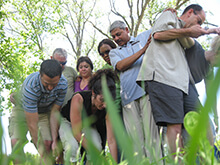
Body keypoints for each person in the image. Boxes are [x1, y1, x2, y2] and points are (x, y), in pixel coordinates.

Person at [136, 4, 219, 156]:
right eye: (199, 21)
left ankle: (208, 158)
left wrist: (209, 31)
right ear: (190, 12)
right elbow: (158, 35)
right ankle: (178, 161)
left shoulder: (183, 34)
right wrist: (191, 30)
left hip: (184, 84)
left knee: (204, 124)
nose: (199, 25)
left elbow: (189, 39)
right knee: (175, 127)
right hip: (164, 75)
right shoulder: (169, 16)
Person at [108, 20, 161, 162]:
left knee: (152, 137)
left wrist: (168, 11)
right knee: (136, 140)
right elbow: (120, 65)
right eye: (114, 37)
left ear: (126, 29)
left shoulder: (142, 38)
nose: (116, 39)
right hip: (128, 99)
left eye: (118, 34)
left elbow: (160, 25)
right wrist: (143, 51)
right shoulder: (114, 52)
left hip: (146, 94)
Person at [8, 59, 68, 164]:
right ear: (40, 74)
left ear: (60, 77)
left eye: (54, 84)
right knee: (16, 142)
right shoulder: (31, 86)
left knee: (47, 144)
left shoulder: (63, 85)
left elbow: (54, 112)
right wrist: (42, 153)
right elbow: (32, 124)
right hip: (22, 110)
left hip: (43, 112)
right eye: (46, 83)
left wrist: (54, 141)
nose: (50, 88)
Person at [59, 69, 118, 163]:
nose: (105, 105)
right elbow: (76, 133)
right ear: (94, 93)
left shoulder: (108, 108)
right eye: (102, 99)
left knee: (97, 146)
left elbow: (111, 140)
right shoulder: (78, 99)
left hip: (86, 125)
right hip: (68, 122)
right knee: (72, 147)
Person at [58, 56, 93, 163]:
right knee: (72, 147)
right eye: (81, 67)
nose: (83, 69)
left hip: (88, 118)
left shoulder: (95, 81)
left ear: (91, 68)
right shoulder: (76, 81)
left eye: (86, 66)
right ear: (78, 69)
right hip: (74, 117)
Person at [97, 39, 123, 162]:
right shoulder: (103, 71)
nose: (105, 56)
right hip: (113, 112)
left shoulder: (124, 60)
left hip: (129, 108)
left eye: (107, 51)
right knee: (117, 143)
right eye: (101, 54)